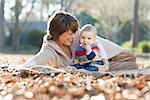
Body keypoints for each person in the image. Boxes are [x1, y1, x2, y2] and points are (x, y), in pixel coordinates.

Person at [22, 10, 138, 72]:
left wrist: (105, 61)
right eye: (68, 35)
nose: (72, 37)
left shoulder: (77, 35)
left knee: (129, 57)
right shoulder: (49, 51)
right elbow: (33, 63)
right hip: (90, 67)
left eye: (73, 33)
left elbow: (95, 41)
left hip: (96, 56)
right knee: (130, 66)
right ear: (57, 33)